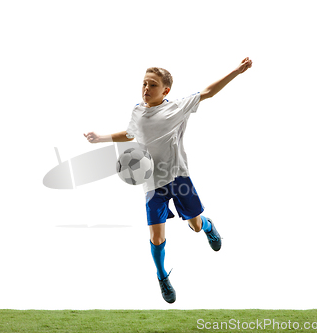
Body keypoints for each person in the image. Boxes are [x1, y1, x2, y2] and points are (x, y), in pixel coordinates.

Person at [84, 57, 253, 303]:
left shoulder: (177, 107)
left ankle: (207, 226)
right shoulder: (137, 111)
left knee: (195, 226)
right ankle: (162, 276)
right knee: (156, 237)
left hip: (179, 177)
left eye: (152, 85)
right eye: (143, 83)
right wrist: (100, 138)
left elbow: (208, 92)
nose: (146, 89)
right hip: (152, 184)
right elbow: (130, 133)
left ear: (165, 90)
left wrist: (236, 72)